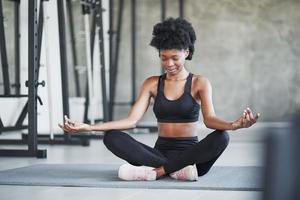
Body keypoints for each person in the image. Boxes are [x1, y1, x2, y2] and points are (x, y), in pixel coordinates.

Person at [59, 17, 260, 181]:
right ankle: (173, 170)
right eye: (164, 58)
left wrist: (234, 125)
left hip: (192, 156)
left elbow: (209, 120)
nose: (169, 63)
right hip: (157, 153)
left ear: (186, 52)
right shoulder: (152, 83)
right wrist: (88, 127)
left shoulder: (200, 83)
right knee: (112, 136)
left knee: (222, 137)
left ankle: (158, 171)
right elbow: (131, 121)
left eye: (175, 58)